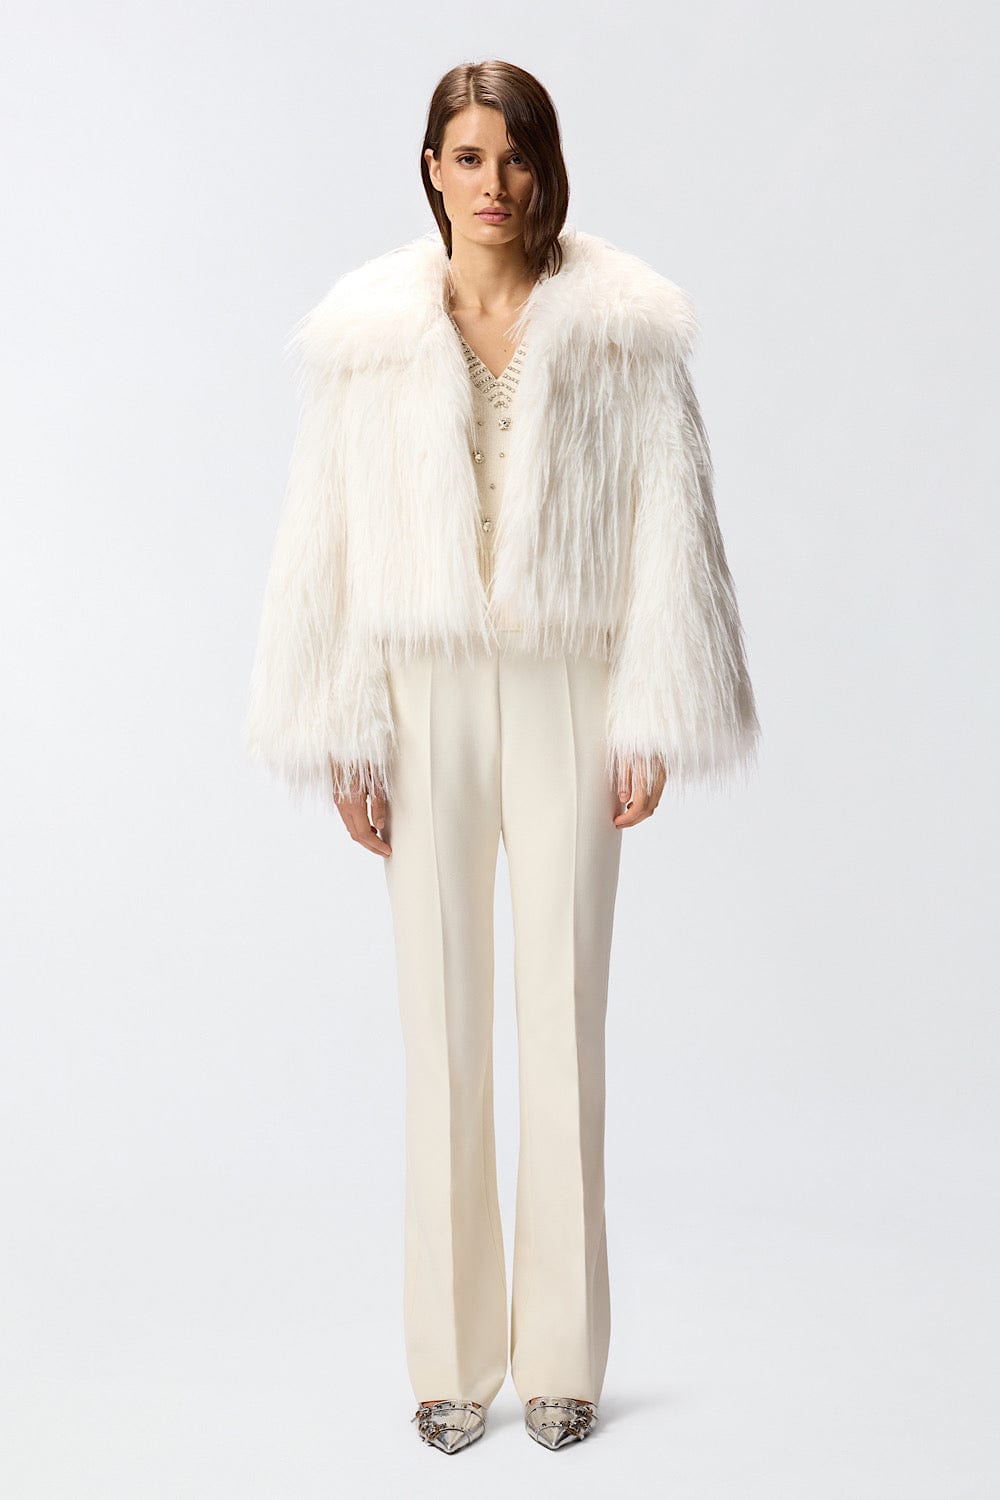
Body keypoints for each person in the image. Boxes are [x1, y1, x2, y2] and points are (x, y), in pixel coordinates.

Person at [243, 59, 760, 1454]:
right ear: (431, 166)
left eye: (515, 156)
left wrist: (651, 708)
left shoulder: (623, 326)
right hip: (421, 689)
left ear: (546, 167)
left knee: (564, 1017)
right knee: (443, 1023)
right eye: (468, 157)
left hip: (571, 680)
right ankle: (451, 1359)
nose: (494, 184)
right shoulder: (366, 336)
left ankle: (564, 1359)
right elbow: (323, 538)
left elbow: (674, 521)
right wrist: (345, 729)